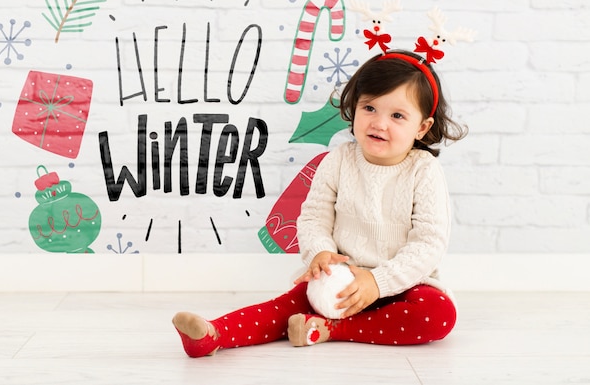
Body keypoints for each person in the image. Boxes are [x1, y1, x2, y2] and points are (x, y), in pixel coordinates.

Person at [172, 49, 468, 357]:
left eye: (397, 116)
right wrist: (321, 252)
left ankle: (332, 329)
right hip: (340, 280)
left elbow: (428, 243)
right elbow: (314, 217)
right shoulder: (338, 160)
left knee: (438, 314)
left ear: (421, 127)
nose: (379, 123)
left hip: (402, 284)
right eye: (369, 107)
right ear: (355, 108)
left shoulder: (423, 171)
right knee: (284, 306)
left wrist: (377, 282)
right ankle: (213, 334)